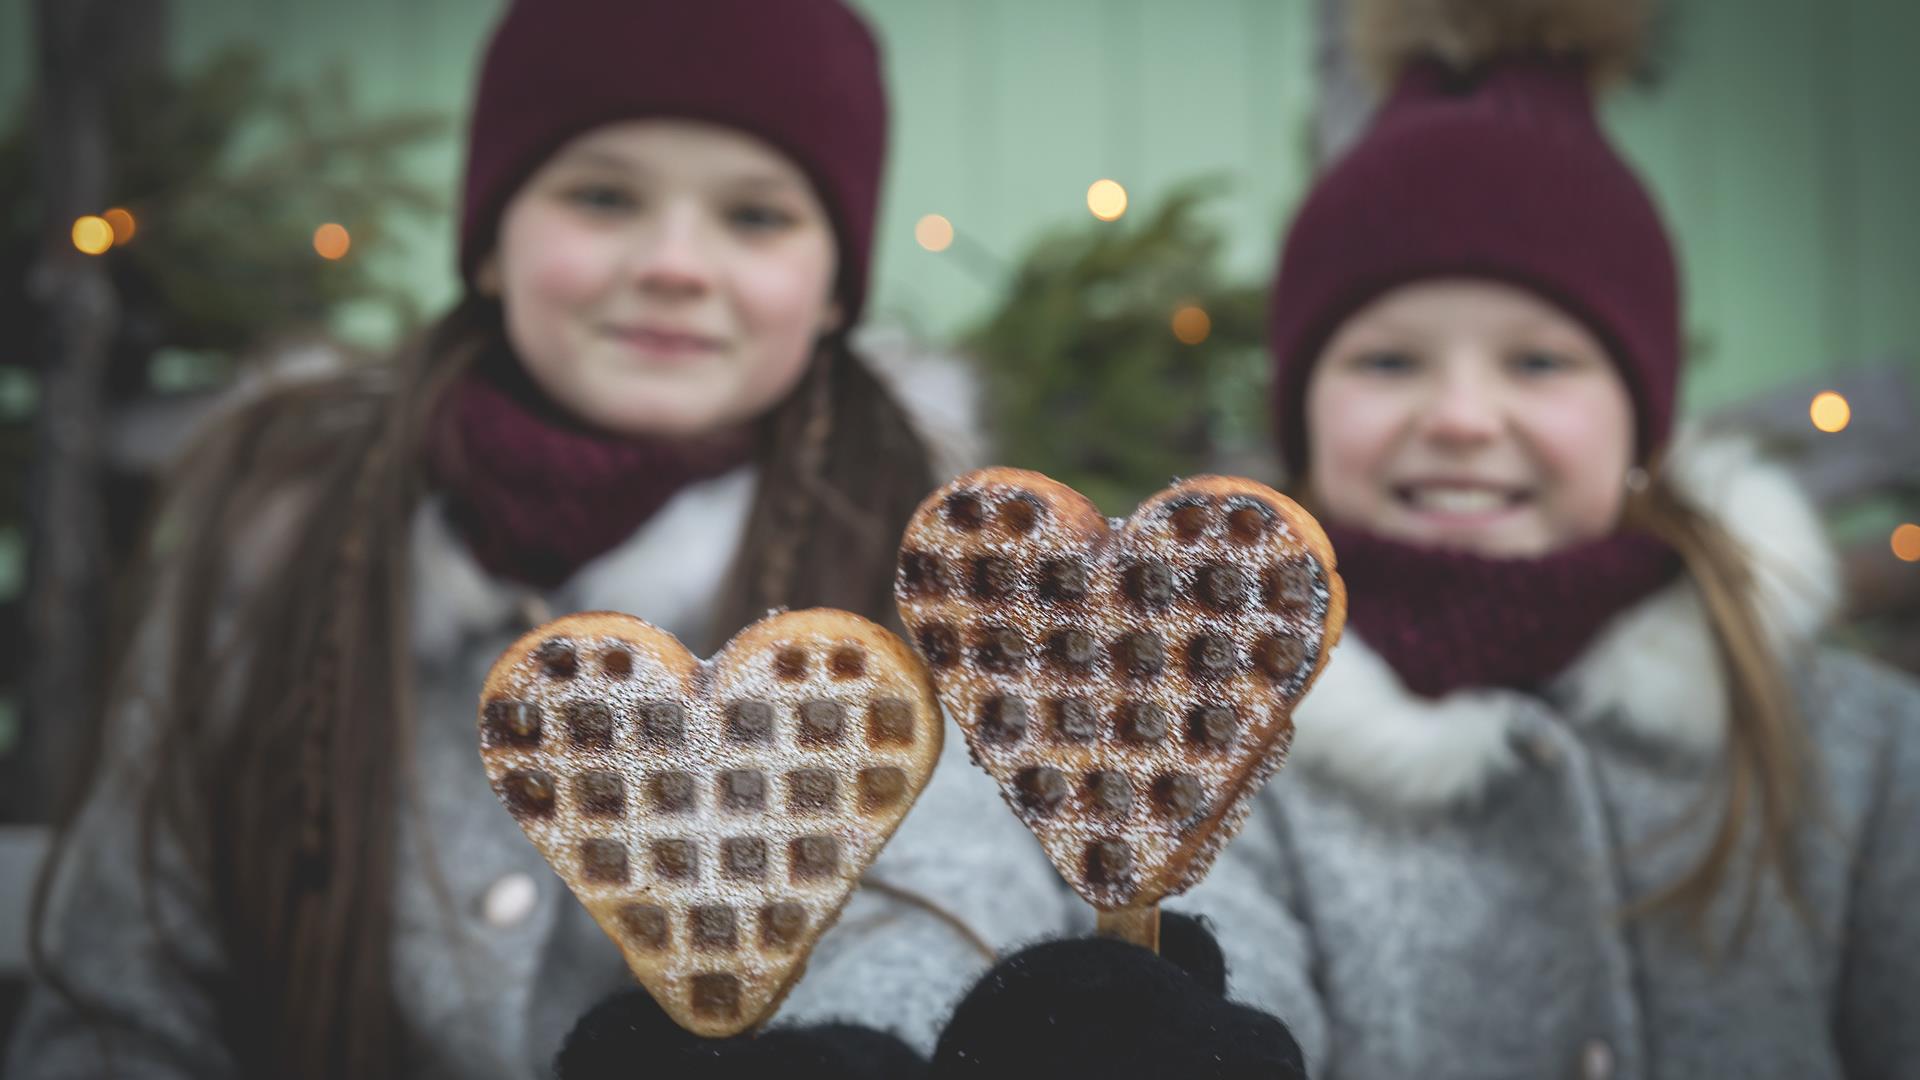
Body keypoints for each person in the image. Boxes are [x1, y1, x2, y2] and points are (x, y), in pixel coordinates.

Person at [7, 2, 1075, 1077]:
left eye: (755, 217)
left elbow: (946, 919)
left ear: (836, 285)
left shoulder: (932, 582)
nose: (674, 264)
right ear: (489, 241)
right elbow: (120, 995)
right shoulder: (279, 542)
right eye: (603, 196)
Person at [1181, 2, 1920, 1078]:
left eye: (1539, 364)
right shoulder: (1224, 744)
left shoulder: (1857, 755)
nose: (1464, 419)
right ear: (1301, 418)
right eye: (1389, 363)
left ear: (1642, 417)